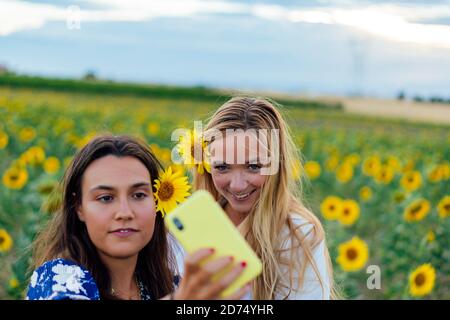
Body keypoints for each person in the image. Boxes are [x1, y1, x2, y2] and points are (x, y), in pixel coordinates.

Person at [26, 135, 249, 300]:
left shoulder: (168, 284)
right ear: (79, 208)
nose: (125, 212)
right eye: (105, 198)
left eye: (139, 195)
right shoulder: (57, 280)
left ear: (157, 202)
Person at [191, 97, 338, 299]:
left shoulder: (298, 236)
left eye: (253, 167)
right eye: (222, 167)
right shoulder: (191, 227)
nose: (237, 185)